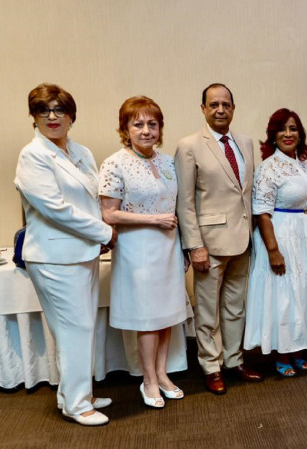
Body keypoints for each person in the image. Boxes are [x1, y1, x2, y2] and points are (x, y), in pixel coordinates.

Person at [14, 83, 117, 426]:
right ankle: (76, 404)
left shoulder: (81, 151)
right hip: (54, 258)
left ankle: (77, 394)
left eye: (59, 109)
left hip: (82, 252)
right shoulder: (33, 155)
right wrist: (104, 232)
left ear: (72, 115)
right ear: (34, 117)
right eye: (44, 110)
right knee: (74, 329)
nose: (52, 116)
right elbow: (56, 209)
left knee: (81, 328)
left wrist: (100, 233)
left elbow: (91, 197)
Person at [99, 96, 189, 408]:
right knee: (149, 318)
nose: (146, 130)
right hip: (137, 249)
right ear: (125, 128)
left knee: (166, 316)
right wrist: (154, 219)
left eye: (152, 124)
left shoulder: (166, 162)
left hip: (167, 247)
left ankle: (162, 374)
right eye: (138, 124)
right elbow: (109, 214)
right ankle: (148, 380)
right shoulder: (115, 163)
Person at [174, 83, 261, 395]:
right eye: (213, 105)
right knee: (208, 311)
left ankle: (234, 360)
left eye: (226, 104)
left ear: (233, 109)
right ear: (203, 109)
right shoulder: (189, 145)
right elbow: (184, 201)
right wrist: (194, 245)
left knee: (236, 307)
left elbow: (246, 192)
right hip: (208, 244)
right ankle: (210, 366)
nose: (220, 110)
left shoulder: (247, 142)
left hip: (243, 240)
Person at [243, 108, 307, 377]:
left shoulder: (304, 164)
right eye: (282, 130)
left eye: (293, 129)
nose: (288, 134)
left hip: (304, 232)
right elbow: (262, 212)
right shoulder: (269, 168)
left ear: (300, 134)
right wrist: (273, 250)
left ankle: (297, 348)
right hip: (280, 234)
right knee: (282, 294)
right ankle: (281, 353)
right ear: (273, 136)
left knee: (300, 292)